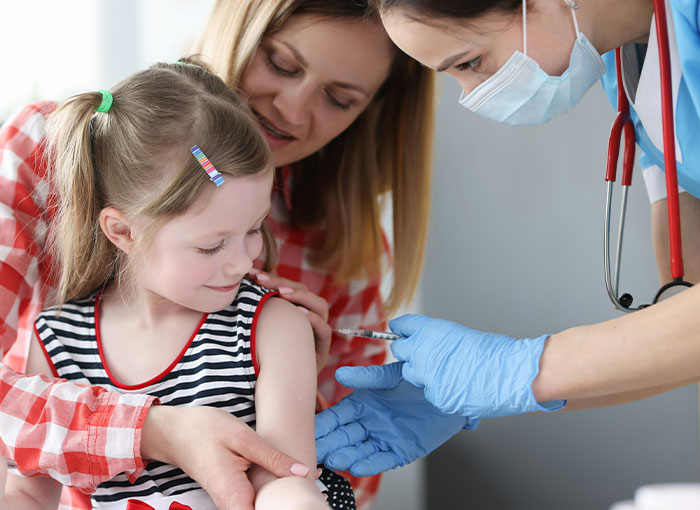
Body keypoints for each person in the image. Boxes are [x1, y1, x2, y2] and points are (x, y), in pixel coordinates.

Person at [0, 1, 435, 508]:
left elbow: (334, 477)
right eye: (282, 64)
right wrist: (153, 431)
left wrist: (296, 387)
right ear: (121, 230)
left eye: (339, 99)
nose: (292, 111)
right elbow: (28, 485)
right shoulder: (48, 155)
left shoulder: (339, 251)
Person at [315, 0, 700, 477]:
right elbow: (679, 327)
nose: (473, 95)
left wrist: (519, 370)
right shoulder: (629, 68)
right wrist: (482, 395)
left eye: (470, 62)